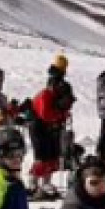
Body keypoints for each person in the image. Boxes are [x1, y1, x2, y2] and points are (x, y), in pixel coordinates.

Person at [29, 62, 76, 199]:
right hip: (37, 126)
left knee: (51, 156)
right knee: (41, 156)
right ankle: (33, 183)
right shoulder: (45, 95)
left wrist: (62, 115)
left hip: (49, 127)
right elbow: (45, 114)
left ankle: (46, 182)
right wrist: (61, 116)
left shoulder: (57, 98)